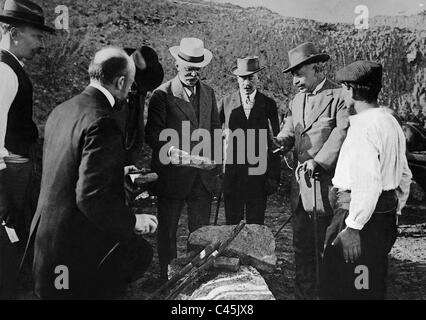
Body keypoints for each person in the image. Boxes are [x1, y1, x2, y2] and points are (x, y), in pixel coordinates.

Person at [30, 47, 158, 299]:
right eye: (131, 84)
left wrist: (113, 173)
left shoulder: (62, 110)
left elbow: (67, 171)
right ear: (121, 81)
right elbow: (90, 197)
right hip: (77, 250)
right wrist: (134, 222)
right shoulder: (103, 121)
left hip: (48, 246)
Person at [321, 61, 412, 300]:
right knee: (370, 283)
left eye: (343, 87)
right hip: (383, 215)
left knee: (345, 285)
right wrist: (394, 210)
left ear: (350, 90)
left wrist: (353, 227)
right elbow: (404, 174)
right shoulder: (389, 121)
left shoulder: (364, 127)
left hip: (358, 217)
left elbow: (367, 183)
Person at [274, 42, 349, 299]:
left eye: (299, 73)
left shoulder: (339, 96)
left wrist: (319, 162)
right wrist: (282, 141)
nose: (295, 80)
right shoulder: (296, 100)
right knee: (302, 249)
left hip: (328, 191)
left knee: (327, 248)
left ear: (317, 69)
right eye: (293, 75)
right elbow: (290, 126)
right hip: (300, 191)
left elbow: (342, 132)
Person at [145, 37, 221, 279]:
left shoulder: (209, 93)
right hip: (173, 177)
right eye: (188, 68)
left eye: (197, 69)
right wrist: (174, 152)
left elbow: (216, 132)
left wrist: (216, 162)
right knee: (167, 231)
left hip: (202, 179)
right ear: (177, 65)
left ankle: (193, 277)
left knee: (199, 233)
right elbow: (153, 134)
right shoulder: (162, 94)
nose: (193, 73)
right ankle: (168, 279)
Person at [0, 0, 54, 299]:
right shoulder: (4, 72)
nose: (41, 44)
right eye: (37, 36)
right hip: (10, 168)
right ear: (13, 32)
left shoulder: (12, 67)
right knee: (11, 235)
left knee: (19, 234)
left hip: (18, 165)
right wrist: (4, 186)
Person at [218, 56, 280, 225]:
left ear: (258, 78)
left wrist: (274, 177)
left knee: (256, 224)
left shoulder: (268, 104)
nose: (247, 83)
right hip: (232, 175)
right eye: (243, 78)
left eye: (251, 77)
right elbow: (214, 135)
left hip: (258, 175)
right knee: (232, 223)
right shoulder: (226, 102)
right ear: (237, 79)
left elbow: (276, 143)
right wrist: (217, 170)